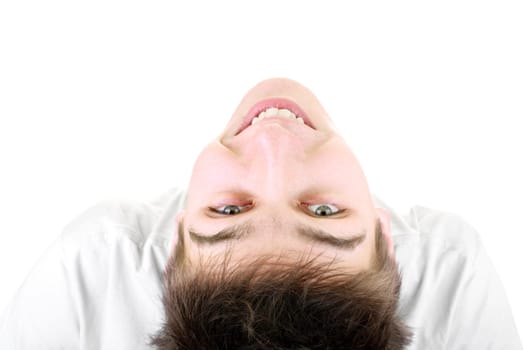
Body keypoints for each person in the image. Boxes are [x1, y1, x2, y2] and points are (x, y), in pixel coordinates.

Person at [0, 78, 522, 349]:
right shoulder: (454, 270)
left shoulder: (87, 269)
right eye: (323, 211)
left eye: (227, 210)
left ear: (176, 237)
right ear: (385, 234)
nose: (273, 146)